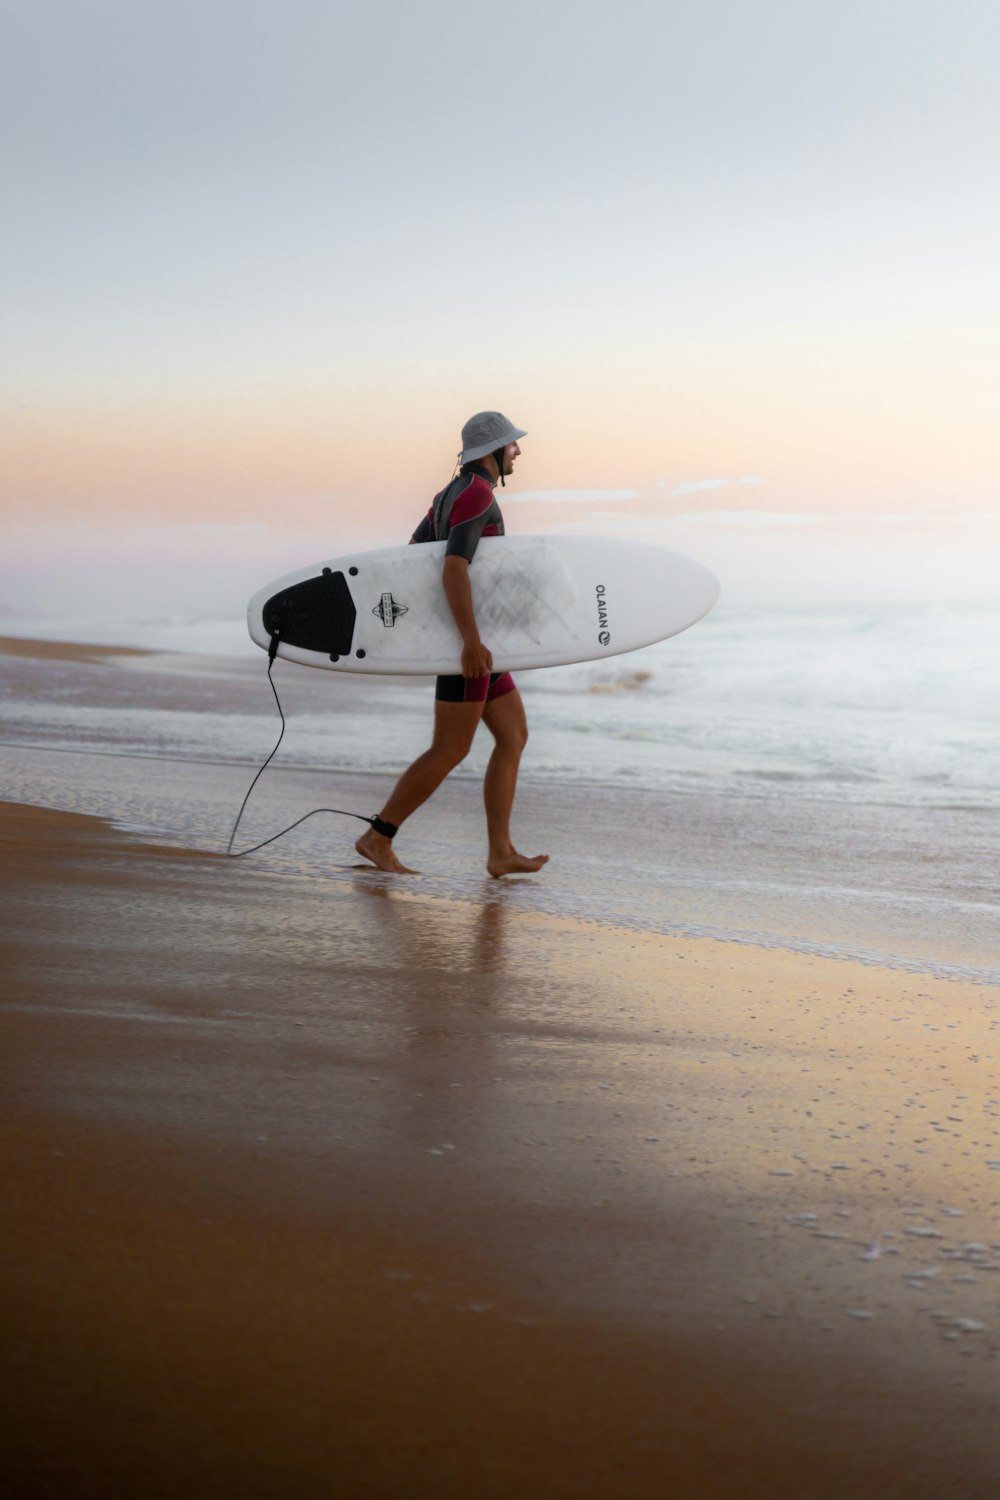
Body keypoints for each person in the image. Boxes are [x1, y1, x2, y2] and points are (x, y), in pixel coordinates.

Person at [355, 411, 550, 878]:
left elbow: (412, 557)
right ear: (492, 452)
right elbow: (452, 566)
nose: (518, 451)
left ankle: (501, 851)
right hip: (469, 646)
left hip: (475, 642)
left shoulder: (447, 495)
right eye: (512, 445)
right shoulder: (478, 493)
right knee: (450, 748)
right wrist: (466, 641)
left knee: (513, 735)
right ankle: (378, 836)